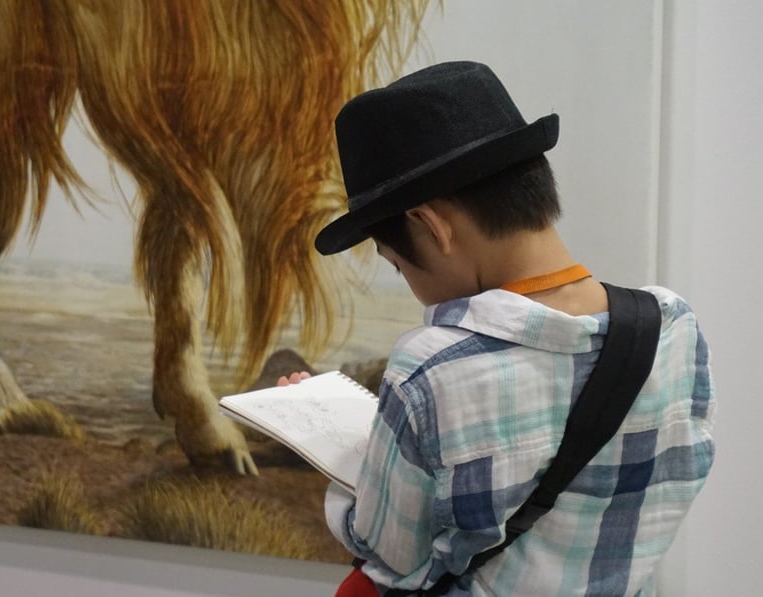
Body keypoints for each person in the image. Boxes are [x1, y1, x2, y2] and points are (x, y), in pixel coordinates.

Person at [301, 61, 716, 595]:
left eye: (399, 266)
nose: (411, 283)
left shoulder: (431, 368)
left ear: (430, 225)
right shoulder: (673, 327)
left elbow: (392, 559)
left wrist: (342, 464)